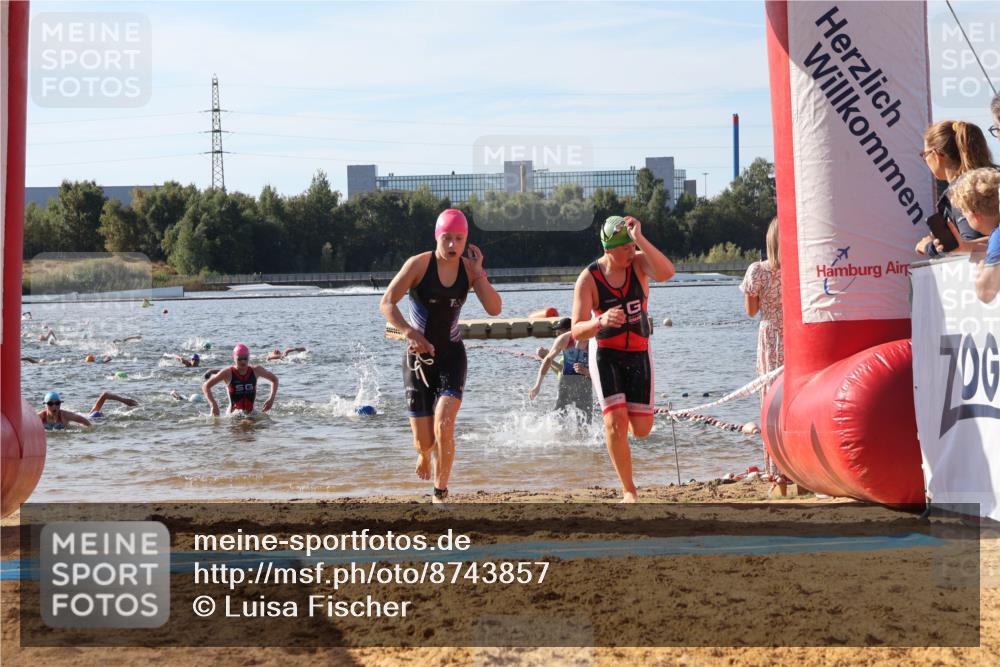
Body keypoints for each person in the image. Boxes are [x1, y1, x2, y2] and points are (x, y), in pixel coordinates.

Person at [379, 208, 502, 503]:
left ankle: (440, 492)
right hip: (417, 360)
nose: (452, 245)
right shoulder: (419, 265)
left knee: (444, 423)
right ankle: (424, 455)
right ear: (437, 237)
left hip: (451, 356)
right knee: (424, 441)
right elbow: (387, 303)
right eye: (447, 238)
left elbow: (495, 309)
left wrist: (479, 274)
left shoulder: (468, 270)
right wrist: (409, 332)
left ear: (466, 241)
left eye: (458, 239)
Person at [570, 215, 675, 503]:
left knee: (641, 430)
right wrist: (600, 320)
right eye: (625, 248)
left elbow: (667, 272)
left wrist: (639, 237)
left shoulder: (639, 263)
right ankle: (629, 489)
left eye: (633, 246)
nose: (631, 252)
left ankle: (623, 416)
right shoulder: (589, 279)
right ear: (608, 249)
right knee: (615, 423)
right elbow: (576, 328)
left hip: (639, 352)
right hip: (606, 354)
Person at [740, 217, 789, 494]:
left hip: (771, 338)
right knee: (795, 402)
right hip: (796, 336)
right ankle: (800, 474)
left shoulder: (758, 271)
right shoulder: (797, 268)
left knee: (771, 404)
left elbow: (750, 310)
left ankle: (778, 477)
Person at [915, 120, 995, 257]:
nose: (925, 160)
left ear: (936, 154)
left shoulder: (963, 192)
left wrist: (930, 247)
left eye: (924, 154)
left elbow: (967, 253)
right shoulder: (988, 181)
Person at [945, 168, 1000, 303]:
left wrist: (981, 260)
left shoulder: (997, 236)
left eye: (964, 212)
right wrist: (965, 247)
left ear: (975, 215)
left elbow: (985, 293)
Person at [528, 317, 593, 422]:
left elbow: (601, 369)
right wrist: (537, 385)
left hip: (585, 381)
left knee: (585, 419)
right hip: (566, 381)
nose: (557, 333)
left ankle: (581, 437)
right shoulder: (564, 339)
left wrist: (586, 371)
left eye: (560, 331)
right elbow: (548, 360)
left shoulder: (592, 342)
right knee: (559, 415)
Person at [202, 343, 279, 417]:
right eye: (240, 359)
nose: (243, 361)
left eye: (245, 358)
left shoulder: (256, 370)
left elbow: (275, 380)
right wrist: (213, 405)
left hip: (251, 413)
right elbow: (206, 386)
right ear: (234, 359)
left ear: (249, 357)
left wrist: (271, 399)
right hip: (233, 415)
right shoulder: (228, 373)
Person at [37, 390, 137, 429]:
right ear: (45, 405)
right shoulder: (40, 417)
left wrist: (91, 430)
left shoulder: (65, 415)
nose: (54, 407)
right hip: (84, 415)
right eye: (50, 404)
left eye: (57, 403)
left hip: (90, 418)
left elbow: (85, 421)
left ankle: (124, 400)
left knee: (95, 414)